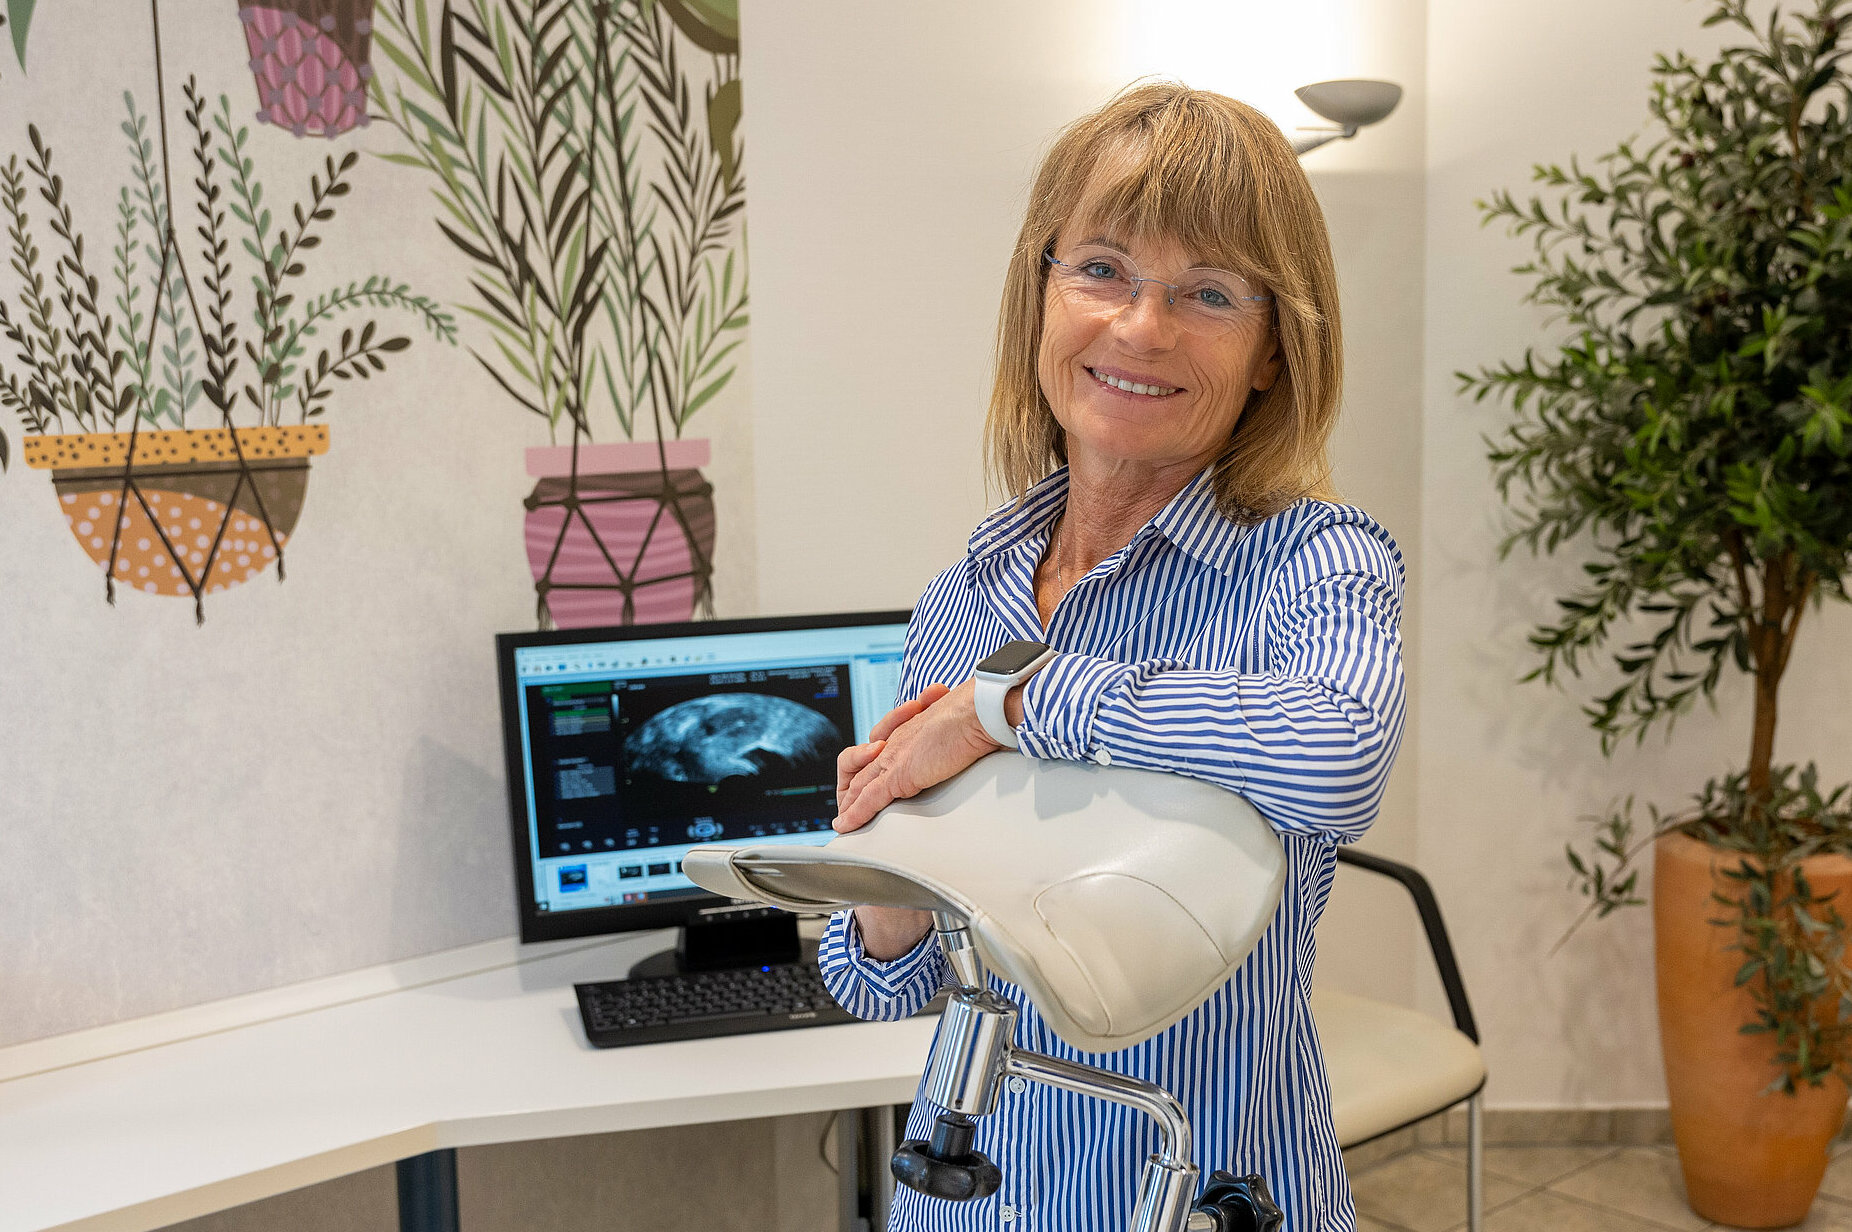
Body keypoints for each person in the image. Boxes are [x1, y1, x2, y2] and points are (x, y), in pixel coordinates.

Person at [818, 81, 1405, 1232]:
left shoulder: (1313, 561)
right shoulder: (964, 593)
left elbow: (1338, 758)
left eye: (1209, 292)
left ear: (1273, 352)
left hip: (1194, 1191)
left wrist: (1010, 704)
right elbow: (880, 986)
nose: (1141, 327)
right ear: (1040, 296)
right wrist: (883, 883)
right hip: (971, 1202)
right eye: (1101, 269)